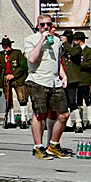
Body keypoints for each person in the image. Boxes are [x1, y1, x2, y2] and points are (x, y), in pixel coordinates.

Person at [23, 15, 67, 159]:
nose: (46, 27)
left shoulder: (56, 41)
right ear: (38, 26)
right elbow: (31, 59)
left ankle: (53, 145)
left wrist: (63, 75)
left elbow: (56, 60)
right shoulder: (31, 40)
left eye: (48, 24)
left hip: (54, 81)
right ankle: (38, 147)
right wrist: (41, 40)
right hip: (38, 80)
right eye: (43, 25)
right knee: (39, 114)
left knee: (63, 114)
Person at [0, 37, 29, 128]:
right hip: (6, 79)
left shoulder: (17, 53)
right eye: (5, 46)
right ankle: (11, 120)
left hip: (17, 79)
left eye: (8, 45)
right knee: (8, 100)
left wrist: (14, 75)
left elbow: (22, 66)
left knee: (21, 98)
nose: (7, 48)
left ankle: (24, 120)